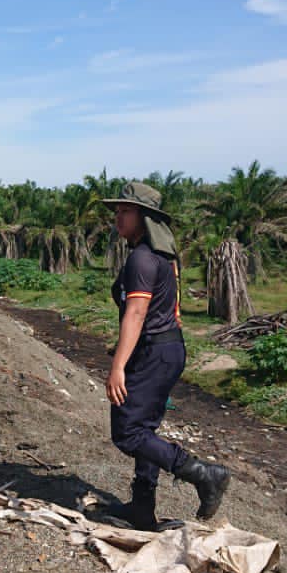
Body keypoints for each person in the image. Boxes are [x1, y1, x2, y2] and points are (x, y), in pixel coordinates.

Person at [102, 182, 230, 531]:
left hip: (155, 350)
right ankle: (143, 509)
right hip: (163, 349)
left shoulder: (142, 258)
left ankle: (204, 474)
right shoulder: (158, 256)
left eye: (126, 211)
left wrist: (117, 367)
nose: (118, 217)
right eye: (117, 211)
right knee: (144, 428)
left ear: (145, 218)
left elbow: (137, 313)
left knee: (128, 433)